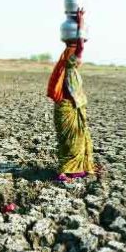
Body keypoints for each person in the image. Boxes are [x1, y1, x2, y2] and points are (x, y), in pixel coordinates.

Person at [47, 9, 96, 182]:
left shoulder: (66, 58)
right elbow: (81, 46)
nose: (81, 57)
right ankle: (66, 171)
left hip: (67, 106)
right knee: (72, 139)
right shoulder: (71, 55)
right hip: (68, 106)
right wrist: (81, 22)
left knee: (72, 139)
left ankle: (73, 169)